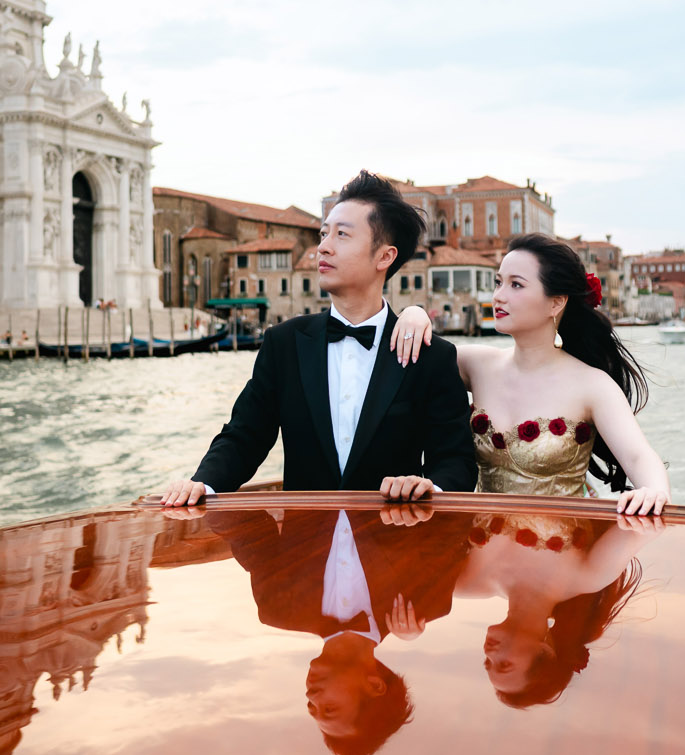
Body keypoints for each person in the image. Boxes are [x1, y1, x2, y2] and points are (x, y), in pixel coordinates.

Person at [161, 170, 477, 505]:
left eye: (342, 235)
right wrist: (203, 484)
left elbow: (456, 461)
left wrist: (429, 488)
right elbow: (244, 437)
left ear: (385, 256)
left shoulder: (431, 355)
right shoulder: (283, 344)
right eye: (323, 234)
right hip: (303, 544)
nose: (322, 248)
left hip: (395, 542)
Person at [391, 233, 670, 514]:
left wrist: (655, 490)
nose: (498, 296)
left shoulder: (593, 385)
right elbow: (422, 361)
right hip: (483, 548)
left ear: (556, 303)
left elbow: (637, 456)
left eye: (516, 285)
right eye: (498, 283)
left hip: (563, 550)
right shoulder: (475, 364)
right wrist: (414, 313)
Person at [207, 501, 471, 755]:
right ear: (375, 685)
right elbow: (455, 513)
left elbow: (245, 527)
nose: (311, 696)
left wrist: (202, 493)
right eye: (329, 708)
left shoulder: (278, 608)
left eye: (312, 707)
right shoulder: (424, 603)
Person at [456, 512, 653, 707]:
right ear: (545, 652)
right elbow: (648, 520)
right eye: (504, 665)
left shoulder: (466, 583)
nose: (490, 653)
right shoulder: (590, 576)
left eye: (487, 662)